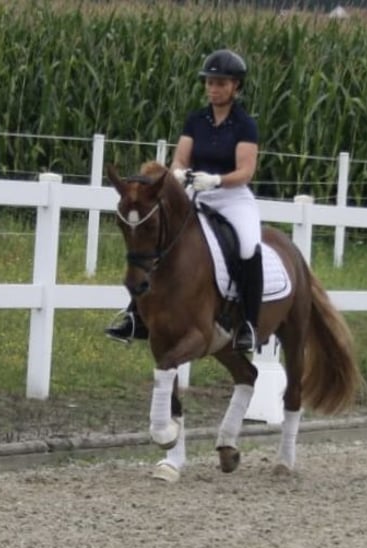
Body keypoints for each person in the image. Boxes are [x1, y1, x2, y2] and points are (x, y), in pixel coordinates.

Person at [106, 48, 263, 352]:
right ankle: (134, 315)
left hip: (231, 196)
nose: (213, 88)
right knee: (159, 236)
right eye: (209, 82)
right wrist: (179, 174)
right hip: (196, 192)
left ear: (236, 87)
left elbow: (246, 171)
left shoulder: (245, 125)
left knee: (247, 245)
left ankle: (248, 326)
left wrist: (217, 179)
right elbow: (179, 158)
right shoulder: (197, 120)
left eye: (221, 83)